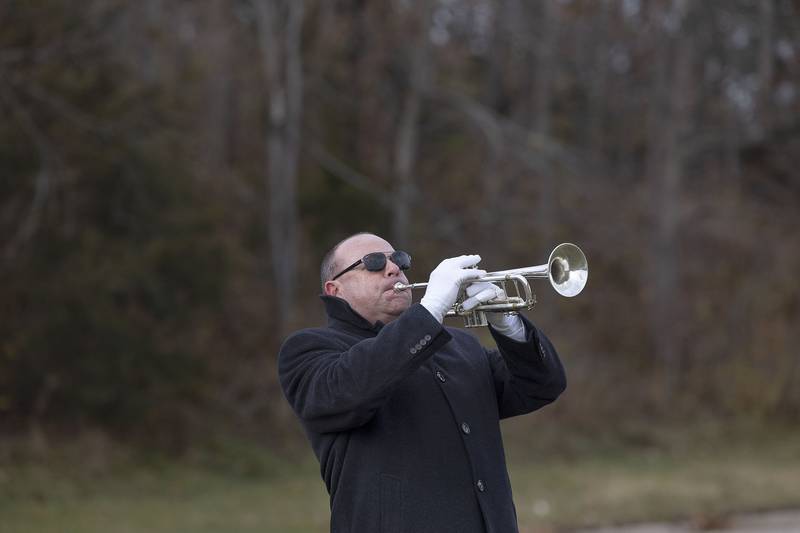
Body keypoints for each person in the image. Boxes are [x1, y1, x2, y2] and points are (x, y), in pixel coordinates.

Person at [278, 232, 567, 533]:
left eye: (398, 259)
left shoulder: (460, 345)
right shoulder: (308, 349)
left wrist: (508, 324)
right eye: (373, 263)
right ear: (334, 289)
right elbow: (348, 390)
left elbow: (542, 385)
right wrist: (428, 313)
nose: (393, 269)